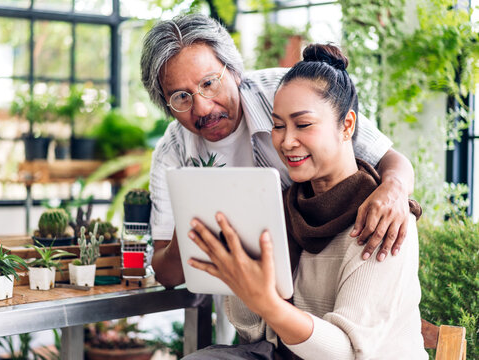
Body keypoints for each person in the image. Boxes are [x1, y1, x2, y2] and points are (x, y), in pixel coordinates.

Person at [184, 43, 427, 359]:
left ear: (347, 126)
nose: (286, 142)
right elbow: (256, 332)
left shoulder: (386, 220)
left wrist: (268, 302)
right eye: (279, 125)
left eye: (303, 124)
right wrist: (242, 274)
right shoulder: (282, 208)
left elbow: (346, 353)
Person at [140, 14, 415, 293]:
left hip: (328, 270)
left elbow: (390, 159)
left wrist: (394, 188)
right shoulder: (171, 151)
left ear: (234, 71)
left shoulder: (285, 92)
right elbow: (166, 272)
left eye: (209, 83)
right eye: (181, 97)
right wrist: (186, 234)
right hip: (243, 294)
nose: (202, 108)